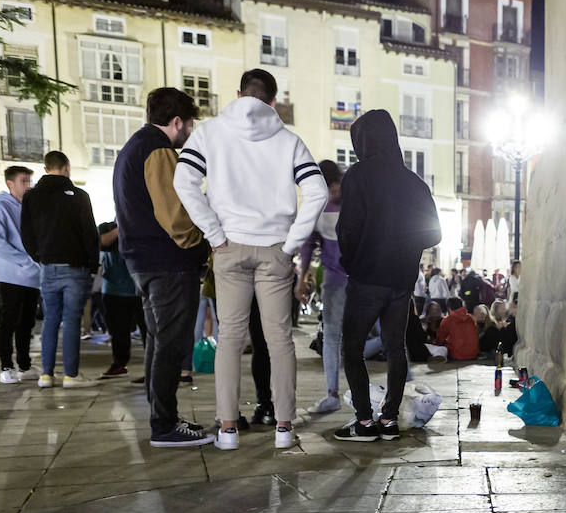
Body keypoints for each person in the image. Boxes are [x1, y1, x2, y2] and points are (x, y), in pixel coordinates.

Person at [174, 67, 326, 450]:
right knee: (279, 340)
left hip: (229, 246)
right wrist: (292, 244)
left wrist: (214, 233)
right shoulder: (289, 140)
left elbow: (183, 182)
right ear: (273, 102)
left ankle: (227, 429)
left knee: (229, 338)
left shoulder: (209, 133)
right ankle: (284, 427)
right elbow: (318, 192)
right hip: (275, 248)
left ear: (238, 94)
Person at [112, 86, 214, 447]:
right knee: (171, 343)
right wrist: (201, 246)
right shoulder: (158, 150)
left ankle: (163, 416)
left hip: (143, 261)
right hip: (166, 263)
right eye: (190, 124)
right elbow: (174, 215)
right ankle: (164, 425)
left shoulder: (133, 147)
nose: (191, 131)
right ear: (177, 121)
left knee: (158, 341)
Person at [332, 108, 440, 442]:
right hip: (401, 282)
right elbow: (433, 234)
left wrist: (354, 262)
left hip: (367, 278)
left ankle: (365, 421)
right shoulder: (415, 183)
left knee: (352, 349)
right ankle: (389, 419)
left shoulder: (358, 176)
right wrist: (405, 247)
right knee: (396, 348)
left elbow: (347, 230)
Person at [20, 151, 99, 388]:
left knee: (50, 320)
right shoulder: (79, 196)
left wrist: (40, 257)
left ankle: (46, 375)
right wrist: (93, 264)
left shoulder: (31, 196)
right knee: (72, 321)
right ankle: (71, 375)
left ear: (46, 169)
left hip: (48, 267)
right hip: (75, 268)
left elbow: (26, 234)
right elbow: (90, 233)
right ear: (67, 167)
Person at [298, 160, 346, 414]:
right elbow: (308, 245)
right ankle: (332, 393)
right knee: (331, 336)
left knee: (345, 337)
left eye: (335, 186)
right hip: (335, 280)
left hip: (355, 279)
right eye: (329, 187)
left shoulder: (349, 201)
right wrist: (302, 278)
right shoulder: (317, 205)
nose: (332, 191)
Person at [0, 166, 40, 383]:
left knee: (27, 323)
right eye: (23, 181)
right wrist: (26, 261)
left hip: (32, 275)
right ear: (10, 184)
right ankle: (6, 367)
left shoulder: (29, 208)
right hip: (10, 275)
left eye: (29, 181)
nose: (28, 185)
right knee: (9, 321)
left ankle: (25, 365)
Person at [96, 222, 140, 379]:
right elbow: (102, 242)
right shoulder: (108, 227)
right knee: (118, 333)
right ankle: (119, 364)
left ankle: (152, 369)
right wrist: (121, 226)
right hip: (114, 290)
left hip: (140, 288)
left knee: (149, 332)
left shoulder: (140, 225)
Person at [436, 296, 479, 362]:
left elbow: (440, 339)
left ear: (449, 308)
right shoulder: (470, 318)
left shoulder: (448, 320)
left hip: (457, 355)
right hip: (473, 354)